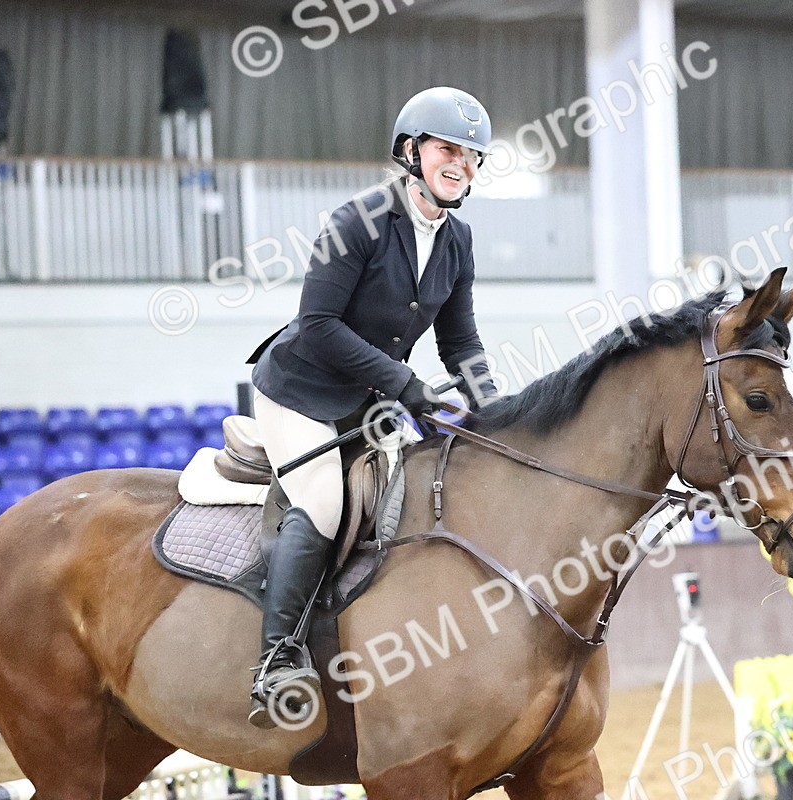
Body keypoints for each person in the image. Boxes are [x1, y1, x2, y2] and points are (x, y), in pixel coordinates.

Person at [243, 86, 499, 728]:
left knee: (412, 496)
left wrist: (497, 410)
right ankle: (276, 661)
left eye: (472, 156)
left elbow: (460, 340)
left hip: (368, 401)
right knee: (326, 501)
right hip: (300, 391)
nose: (460, 165)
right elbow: (319, 321)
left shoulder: (458, 241)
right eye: (448, 149)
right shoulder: (356, 221)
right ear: (411, 151)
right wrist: (403, 382)